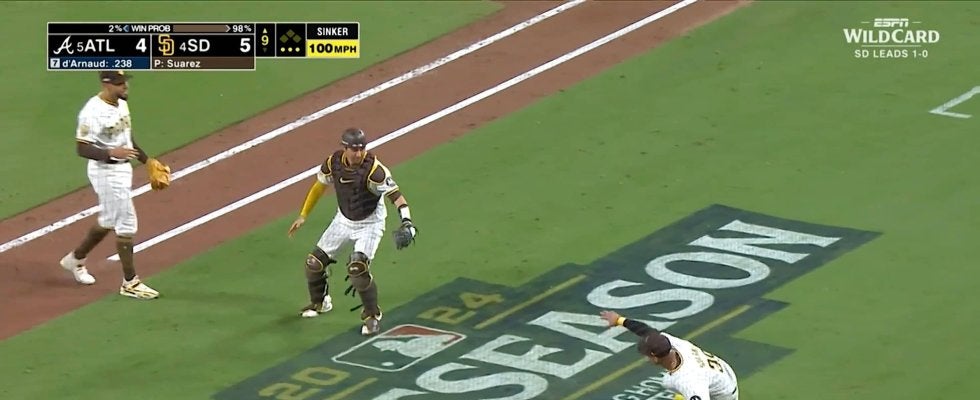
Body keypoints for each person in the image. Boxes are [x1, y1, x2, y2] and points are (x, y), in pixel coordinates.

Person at [287, 127, 418, 336]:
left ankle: (372, 316)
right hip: (343, 220)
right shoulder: (333, 164)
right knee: (314, 264)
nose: (358, 153)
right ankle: (320, 302)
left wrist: (407, 221)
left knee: (357, 269)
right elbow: (318, 187)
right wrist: (303, 215)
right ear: (345, 148)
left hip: (370, 224)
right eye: (354, 149)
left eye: (362, 148)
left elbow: (397, 197)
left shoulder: (375, 171)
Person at [59, 70, 169, 300]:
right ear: (106, 84)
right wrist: (110, 153)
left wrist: (147, 161)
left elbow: (127, 139)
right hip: (105, 172)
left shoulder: (121, 103)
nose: (125, 87)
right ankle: (130, 283)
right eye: (120, 84)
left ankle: (75, 259)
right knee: (126, 222)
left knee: (109, 219)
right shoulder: (92, 112)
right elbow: (82, 148)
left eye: (125, 82)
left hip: (122, 169)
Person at [600, 310, 740, 400]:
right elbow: (645, 330)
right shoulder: (673, 344)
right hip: (720, 374)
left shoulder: (688, 381)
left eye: (647, 355)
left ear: (655, 357)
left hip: (723, 395)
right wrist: (619, 320)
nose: (645, 358)